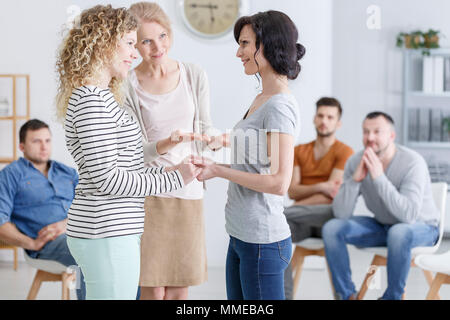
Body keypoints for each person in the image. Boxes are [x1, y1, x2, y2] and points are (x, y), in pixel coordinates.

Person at [55, 4, 199, 300]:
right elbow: (108, 179)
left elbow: (123, 159)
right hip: (105, 231)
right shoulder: (91, 103)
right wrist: (174, 179)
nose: (135, 54)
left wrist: (164, 153)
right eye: (130, 44)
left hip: (111, 230)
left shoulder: (100, 97)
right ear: (103, 43)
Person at [191, 10, 304, 300]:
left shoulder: (279, 106)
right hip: (242, 234)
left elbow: (279, 181)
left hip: (262, 240)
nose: (238, 52)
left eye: (244, 44)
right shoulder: (262, 98)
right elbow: (255, 163)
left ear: (266, 45)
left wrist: (218, 171)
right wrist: (221, 144)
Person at [125, 2, 216, 300]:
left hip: (189, 190)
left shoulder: (193, 74)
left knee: (179, 287)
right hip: (150, 193)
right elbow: (134, 152)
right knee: (152, 287)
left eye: (162, 36)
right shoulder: (128, 84)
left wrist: (214, 146)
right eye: (146, 40)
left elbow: (205, 131)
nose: (157, 47)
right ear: (134, 43)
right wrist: (168, 142)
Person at [322, 111, 440, 300]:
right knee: (332, 228)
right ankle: (347, 296)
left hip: (422, 227)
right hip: (384, 227)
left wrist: (379, 178)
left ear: (391, 136)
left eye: (377, 132)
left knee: (399, 232)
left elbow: (408, 215)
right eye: (366, 132)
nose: (370, 138)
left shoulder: (412, 162)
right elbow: (341, 213)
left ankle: (391, 297)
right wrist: (354, 181)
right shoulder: (356, 161)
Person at [0, 119, 86, 300]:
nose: (44, 146)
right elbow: (1, 222)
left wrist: (67, 223)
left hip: (80, 232)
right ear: (21, 146)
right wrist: (30, 244)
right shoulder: (10, 175)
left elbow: (90, 205)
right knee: (87, 251)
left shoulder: (67, 172)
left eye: (47, 140)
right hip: (47, 244)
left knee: (125, 244)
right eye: (36, 141)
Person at [283, 97, 353, 299]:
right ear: (314, 118)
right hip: (301, 220)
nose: (324, 120)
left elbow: (331, 199)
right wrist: (322, 186)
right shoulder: (299, 150)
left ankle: (344, 294)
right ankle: (284, 296)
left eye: (330, 117)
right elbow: (292, 191)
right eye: (321, 115)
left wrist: (303, 195)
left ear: (338, 123)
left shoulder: (344, 152)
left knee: (281, 215)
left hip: (327, 219)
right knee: (278, 230)